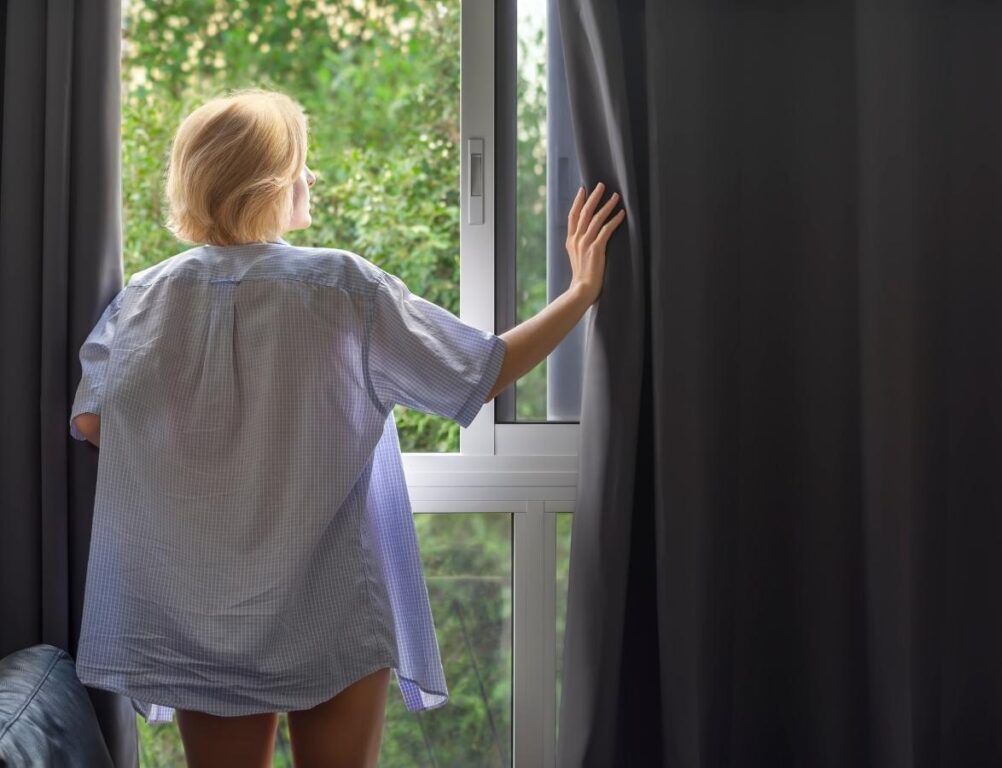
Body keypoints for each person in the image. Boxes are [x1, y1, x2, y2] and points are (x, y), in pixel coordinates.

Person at [68, 87, 625, 768]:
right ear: (270, 181)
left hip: (202, 619)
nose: (311, 176)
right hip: (329, 608)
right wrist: (580, 294)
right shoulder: (341, 288)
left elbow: (96, 423)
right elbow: (484, 370)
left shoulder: (141, 303)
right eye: (302, 162)